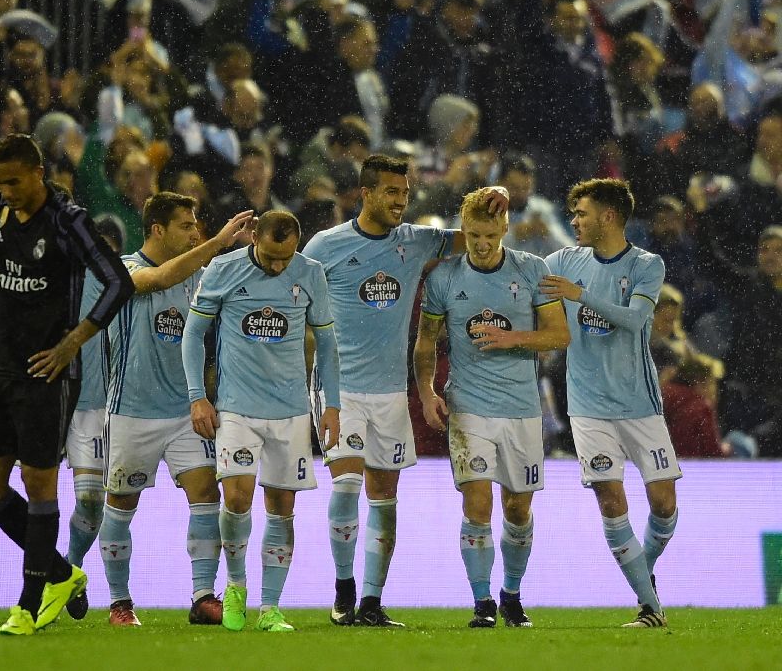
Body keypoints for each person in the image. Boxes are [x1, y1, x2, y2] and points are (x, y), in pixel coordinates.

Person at [301, 154, 507, 627]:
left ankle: (371, 602)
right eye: (392, 192)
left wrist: (502, 200)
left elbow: (477, 235)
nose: (401, 201)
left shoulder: (414, 243)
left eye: (406, 193)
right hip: (340, 388)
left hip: (390, 393)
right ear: (365, 193)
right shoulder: (325, 246)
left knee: (384, 496)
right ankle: (343, 591)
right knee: (347, 483)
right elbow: (295, 299)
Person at [0, 134, 133, 636]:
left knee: (39, 485)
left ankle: (28, 601)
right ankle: (60, 573)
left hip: (49, 371)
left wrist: (72, 342)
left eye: (14, 181)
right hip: (3, 369)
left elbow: (118, 281)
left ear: (39, 173)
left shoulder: (67, 220)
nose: (6, 191)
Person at [413, 187, 569, 628]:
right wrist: (427, 391)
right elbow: (426, 341)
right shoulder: (444, 278)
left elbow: (559, 335)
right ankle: (482, 603)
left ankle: (512, 594)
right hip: (468, 406)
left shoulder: (532, 270)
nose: (482, 244)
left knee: (518, 510)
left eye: (490, 235)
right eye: (474, 235)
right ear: (464, 231)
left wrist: (513, 338)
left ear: (505, 229)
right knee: (477, 505)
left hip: (522, 408)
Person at [96, 193, 253, 626]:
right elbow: (159, 280)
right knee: (121, 503)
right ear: (157, 230)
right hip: (131, 410)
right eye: (186, 224)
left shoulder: (201, 277)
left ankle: (204, 596)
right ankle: (119, 602)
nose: (195, 231)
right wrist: (220, 242)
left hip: (186, 411)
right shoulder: (123, 268)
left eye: (197, 223)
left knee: (206, 494)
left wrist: (254, 251)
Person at [181, 210, 341, 633]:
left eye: (285, 258)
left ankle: (271, 608)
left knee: (282, 507)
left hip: (290, 410)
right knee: (236, 497)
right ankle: (236, 586)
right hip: (236, 407)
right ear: (254, 236)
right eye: (270, 256)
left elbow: (326, 343)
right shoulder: (223, 269)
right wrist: (198, 397)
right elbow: (193, 334)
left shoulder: (311, 273)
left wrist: (332, 405)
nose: (277, 266)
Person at [541, 178, 681, 628]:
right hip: (587, 408)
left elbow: (637, 319)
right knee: (611, 501)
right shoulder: (563, 260)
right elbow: (522, 278)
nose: (574, 221)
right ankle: (649, 607)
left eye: (581, 213)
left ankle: (646, 573)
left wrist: (580, 295)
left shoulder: (646, 264)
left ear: (609, 216)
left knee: (663, 505)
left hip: (640, 404)